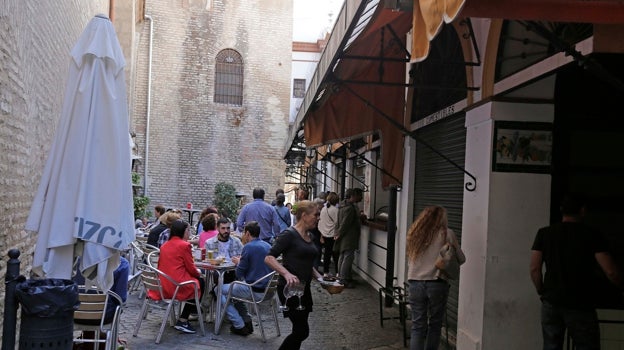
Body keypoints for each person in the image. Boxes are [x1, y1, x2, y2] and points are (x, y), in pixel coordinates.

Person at [530, 194, 623, 350]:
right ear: (582, 211)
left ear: (561, 211)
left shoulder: (544, 233)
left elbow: (534, 268)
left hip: (551, 302)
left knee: (551, 345)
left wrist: (541, 290)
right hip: (580, 303)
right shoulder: (592, 235)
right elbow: (611, 271)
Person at [265, 200, 323, 350]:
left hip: (305, 289)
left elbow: (308, 263)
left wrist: (321, 278)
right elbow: (269, 258)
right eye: (316, 215)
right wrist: (286, 273)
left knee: (299, 331)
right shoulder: (289, 235)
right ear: (304, 215)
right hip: (289, 290)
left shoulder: (311, 236)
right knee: (302, 331)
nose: (318, 218)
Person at [406, 205, 465, 350]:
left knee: (418, 326)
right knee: (435, 324)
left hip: (415, 283)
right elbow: (462, 259)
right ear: (442, 218)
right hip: (437, 284)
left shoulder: (414, 234)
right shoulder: (446, 234)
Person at [151, 219, 204, 334]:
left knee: (197, 281)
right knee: (200, 282)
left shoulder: (165, 245)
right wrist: (198, 272)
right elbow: (191, 268)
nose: (189, 232)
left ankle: (193, 311)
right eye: (188, 230)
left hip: (162, 284)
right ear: (183, 231)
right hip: (176, 285)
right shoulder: (184, 245)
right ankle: (184, 319)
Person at [221, 221, 272, 336]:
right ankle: (246, 319)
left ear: (247, 233)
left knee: (218, 290)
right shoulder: (268, 246)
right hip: (268, 291)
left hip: (254, 290)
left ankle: (239, 324)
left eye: (244, 232)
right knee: (233, 291)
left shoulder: (248, 247)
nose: (243, 235)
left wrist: (239, 262)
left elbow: (239, 274)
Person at [335, 188, 365, 288]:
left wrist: (337, 233)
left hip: (344, 235)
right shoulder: (350, 208)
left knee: (343, 256)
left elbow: (339, 222)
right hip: (349, 236)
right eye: (359, 195)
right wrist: (339, 233)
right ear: (353, 196)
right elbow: (345, 223)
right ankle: (343, 279)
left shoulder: (342, 206)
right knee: (347, 257)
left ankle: (343, 277)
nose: (361, 197)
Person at [318, 192, 340, 276]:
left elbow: (321, 222)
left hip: (324, 234)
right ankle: (337, 272)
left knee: (327, 254)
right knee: (335, 254)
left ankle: (325, 272)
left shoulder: (324, 209)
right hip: (333, 235)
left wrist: (321, 235)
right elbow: (338, 223)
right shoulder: (336, 210)